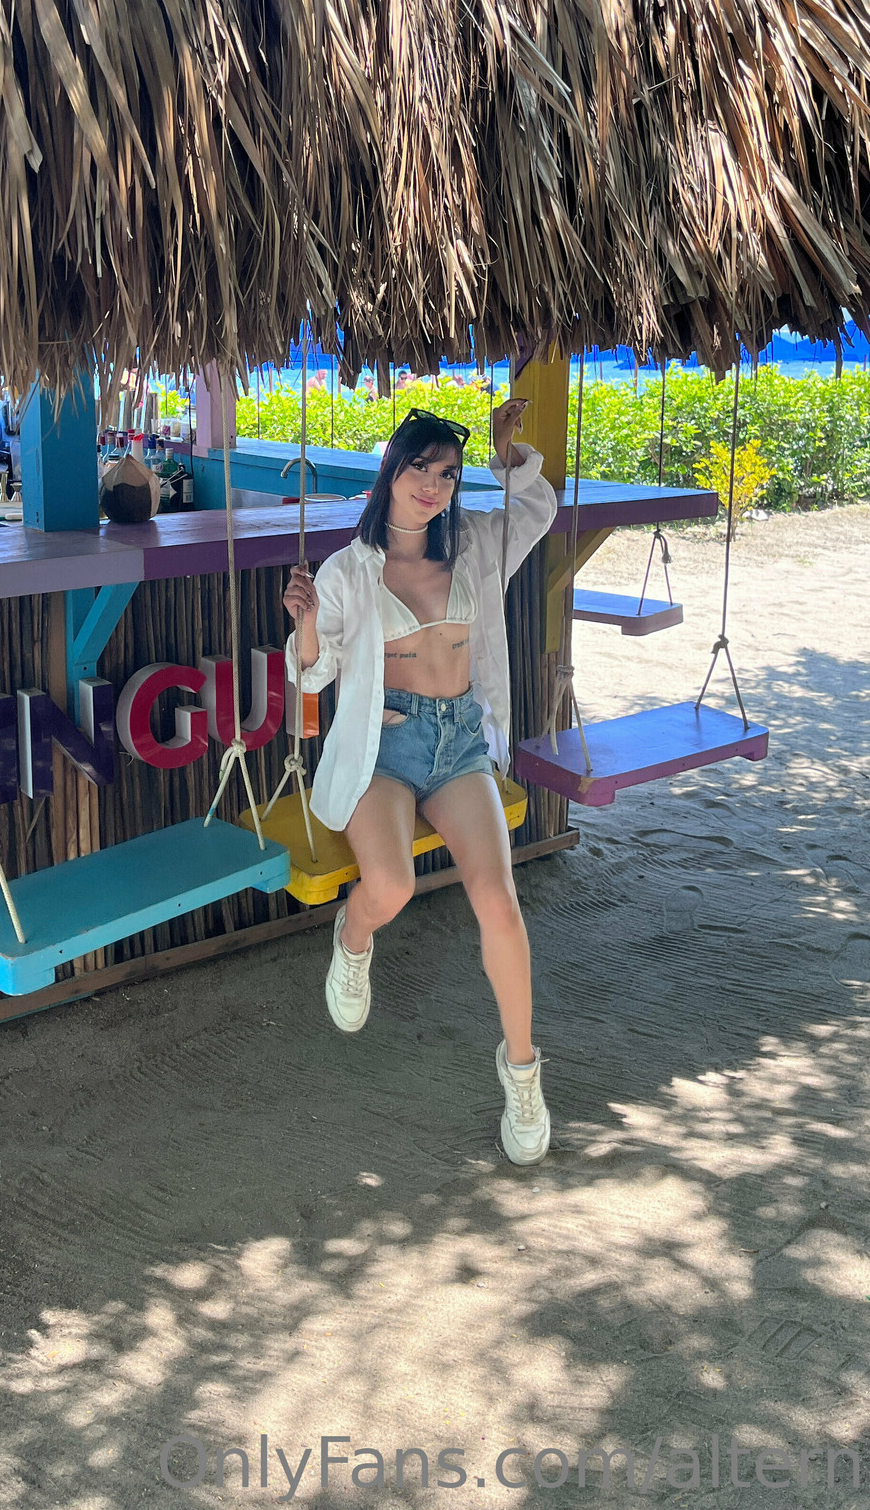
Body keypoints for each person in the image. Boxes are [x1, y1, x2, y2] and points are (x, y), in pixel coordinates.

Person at [281, 399, 559, 1165]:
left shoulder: (473, 543)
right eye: (419, 469)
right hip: (385, 746)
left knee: (498, 900)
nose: (433, 486)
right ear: (390, 473)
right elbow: (313, 675)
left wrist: (507, 452)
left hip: (459, 739)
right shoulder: (349, 569)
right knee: (393, 886)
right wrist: (305, 622)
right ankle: (353, 937)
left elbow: (537, 510)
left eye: (448, 474)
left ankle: (523, 1073)